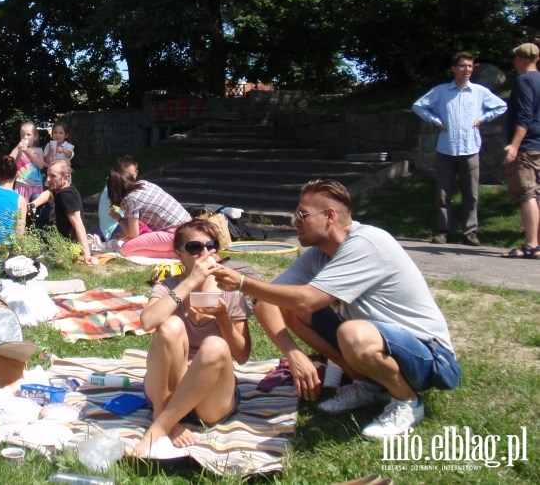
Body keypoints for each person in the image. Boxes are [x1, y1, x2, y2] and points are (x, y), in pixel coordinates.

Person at [213, 180, 460, 440]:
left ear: (329, 216)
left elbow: (309, 299)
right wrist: (295, 355)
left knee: (352, 334)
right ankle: (367, 386)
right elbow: (267, 304)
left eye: (302, 215)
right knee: (295, 311)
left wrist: (242, 282)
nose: (295, 222)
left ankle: (407, 402)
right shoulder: (318, 255)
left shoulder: (367, 242)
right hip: (381, 343)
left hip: (429, 357)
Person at [132, 219, 251, 458]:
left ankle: (160, 426)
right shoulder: (170, 287)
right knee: (170, 326)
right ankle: (164, 416)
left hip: (211, 395)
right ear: (180, 254)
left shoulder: (229, 291)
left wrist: (223, 318)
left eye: (211, 245)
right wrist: (189, 284)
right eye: (195, 248)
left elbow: (242, 355)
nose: (205, 253)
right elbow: (147, 322)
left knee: (215, 345)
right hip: (168, 388)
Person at [412, 51, 506, 246]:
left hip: (470, 148)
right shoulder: (441, 91)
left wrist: (483, 118)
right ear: (454, 68)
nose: (467, 70)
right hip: (446, 149)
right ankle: (442, 231)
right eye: (463, 66)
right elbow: (418, 106)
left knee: (471, 193)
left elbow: (501, 106)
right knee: (443, 194)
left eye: (470, 66)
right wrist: (435, 121)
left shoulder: (479, 92)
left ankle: (470, 232)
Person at [503, 42, 540, 258]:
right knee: (538, 194)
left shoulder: (523, 80)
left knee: (526, 195)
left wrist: (514, 145)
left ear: (519, 59)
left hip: (527, 146)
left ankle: (531, 244)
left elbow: (524, 114)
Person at [106, 170, 191, 258]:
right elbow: (136, 229)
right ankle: (177, 250)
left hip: (175, 235)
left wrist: (119, 218)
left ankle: (174, 253)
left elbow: (133, 234)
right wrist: (125, 235)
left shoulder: (130, 199)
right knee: (129, 241)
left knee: (126, 249)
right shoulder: (144, 184)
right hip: (190, 228)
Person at [30, 160, 95, 264]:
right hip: (57, 242)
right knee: (36, 197)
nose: (48, 180)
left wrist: (87, 255)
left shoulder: (67, 195)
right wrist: (33, 205)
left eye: (53, 176)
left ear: (65, 177)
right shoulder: (62, 190)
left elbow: (78, 224)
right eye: (47, 175)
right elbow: (48, 193)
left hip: (63, 247)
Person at [98, 155, 138, 241]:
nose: (129, 180)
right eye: (126, 176)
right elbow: (114, 211)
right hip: (113, 229)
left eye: (132, 176)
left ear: (137, 173)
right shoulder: (114, 189)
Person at [10, 121, 45, 201]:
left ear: (35, 137)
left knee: (35, 209)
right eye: (23, 135)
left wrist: (29, 152)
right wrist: (17, 148)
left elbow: (41, 165)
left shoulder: (38, 150)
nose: (25, 137)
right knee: (21, 209)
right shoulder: (19, 150)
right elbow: (10, 160)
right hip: (21, 185)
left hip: (36, 186)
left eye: (28, 135)